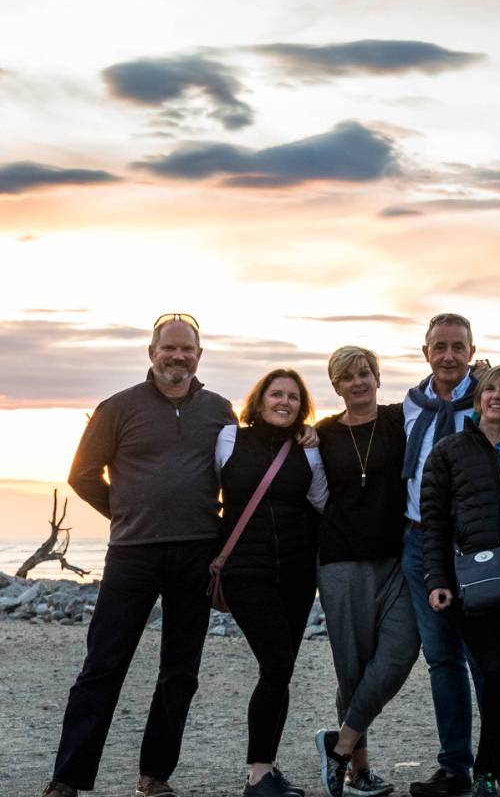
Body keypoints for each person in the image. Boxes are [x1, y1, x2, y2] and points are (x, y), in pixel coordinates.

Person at [47, 314, 237, 797]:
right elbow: (83, 474)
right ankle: (68, 779)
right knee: (103, 665)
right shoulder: (117, 408)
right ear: (152, 353)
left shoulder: (220, 410)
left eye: (187, 350)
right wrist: (125, 512)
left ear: (199, 355)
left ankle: (155, 776)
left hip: (197, 553)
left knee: (180, 671)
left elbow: (237, 474)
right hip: (132, 554)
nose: (178, 357)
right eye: (169, 349)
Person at [421, 365, 500, 797]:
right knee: (493, 669)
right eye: (490, 388)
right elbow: (432, 522)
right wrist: (437, 578)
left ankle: (494, 774)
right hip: (468, 581)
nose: (497, 396)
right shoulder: (449, 451)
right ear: (478, 397)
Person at [215, 368, 329, 797]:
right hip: (246, 571)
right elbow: (204, 493)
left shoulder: (309, 451)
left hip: (297, 577)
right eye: (276, 394)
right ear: (259, 400)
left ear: (303, 407)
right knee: (277, 664)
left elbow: (322, 503)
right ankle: (258, 774)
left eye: (293, 398)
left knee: (278, 672)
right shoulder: (228, 440)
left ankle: (266, 771)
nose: (284, 402)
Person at [312, 346, 419, 797]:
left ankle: (339, 744)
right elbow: (312, 494)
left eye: (365, 374)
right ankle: (358, 771)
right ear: (335, 386)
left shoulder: (399, 420)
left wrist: (478, 375)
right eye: (347, 377)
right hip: (340, 563)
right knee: (351, 671)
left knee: (400, 652)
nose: (358, 382)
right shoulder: (321, 433)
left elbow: (446, 398)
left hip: (395, 560)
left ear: (378, 377)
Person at [398, 313, 485, 797]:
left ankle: (495, 767)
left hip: (475, 548)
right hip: (419, 544)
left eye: (458, 347)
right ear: (425, 352)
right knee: (441, 659)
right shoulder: (410, 408)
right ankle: (455, 767)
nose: (448, 355)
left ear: (471, 352)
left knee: (485, 658)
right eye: (439, 347)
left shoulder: (492, 400)